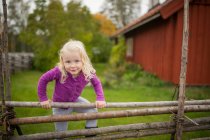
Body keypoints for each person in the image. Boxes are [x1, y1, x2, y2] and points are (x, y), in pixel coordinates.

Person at [37, 39, 106, 132]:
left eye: (77, 61)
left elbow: (96, 83)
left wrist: (100, 98)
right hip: (60, 106)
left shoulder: (87, 72)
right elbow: (43, 79)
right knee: (61, 133)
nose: (72, 65)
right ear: (62, 61)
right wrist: (43, 99)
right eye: (68, 62)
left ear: (83, 60)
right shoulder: (59, 71)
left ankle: (91, 134)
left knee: (92, 111)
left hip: (75, 100)